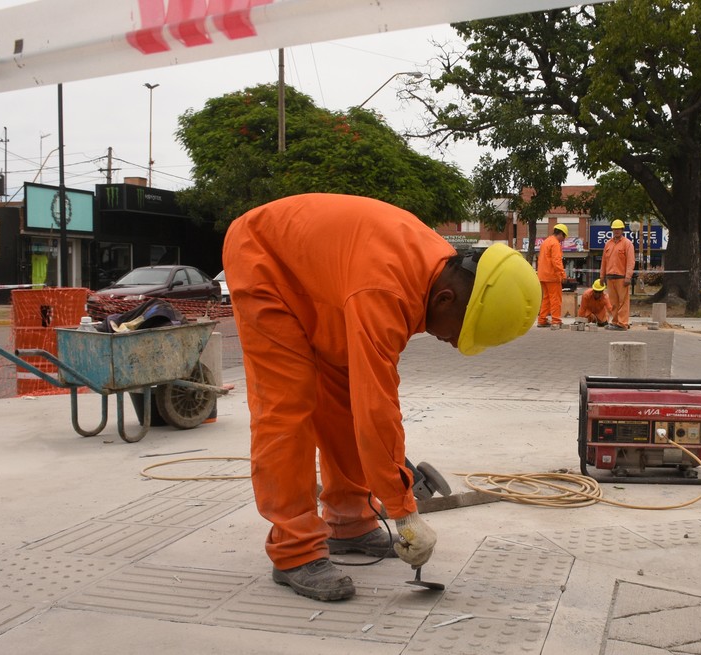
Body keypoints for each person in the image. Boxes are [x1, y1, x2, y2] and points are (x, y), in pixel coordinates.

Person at [223, 193, 540, 602]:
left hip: (323, 279)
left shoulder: (436, 270)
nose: (450, 342)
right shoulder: (387, 290)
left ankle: (350, 521)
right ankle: (293, 550)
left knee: (342, 400)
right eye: (457, 333)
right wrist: (404, 511)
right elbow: (378, 410)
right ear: (446, 299)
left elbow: (362, 405)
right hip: (264, 258)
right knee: (286, 407)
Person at [600, 219, 635, 330]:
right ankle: (615, 322)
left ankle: (622, 323)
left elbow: (631, 261)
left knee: (623, 302)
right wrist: (602, 276)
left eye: (618, 229)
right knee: (613, 302)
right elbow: (604, 261)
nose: (616, 231)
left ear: (622, 230)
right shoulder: (608, 244)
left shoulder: (627, 244)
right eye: (615, 229)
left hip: (622, 278)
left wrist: (628, 276)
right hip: (610, 277)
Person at [535, 223, 568, 327]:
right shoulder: (555, 243)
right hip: (552, 276)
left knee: (546, 298)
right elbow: (556, 261)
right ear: (561, 234)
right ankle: (556, 320)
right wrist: (562, 274)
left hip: (543, 275)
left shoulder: (546, 242)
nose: (563, 239)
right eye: (564, 237)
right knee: (555, 299)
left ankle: (542, 320)